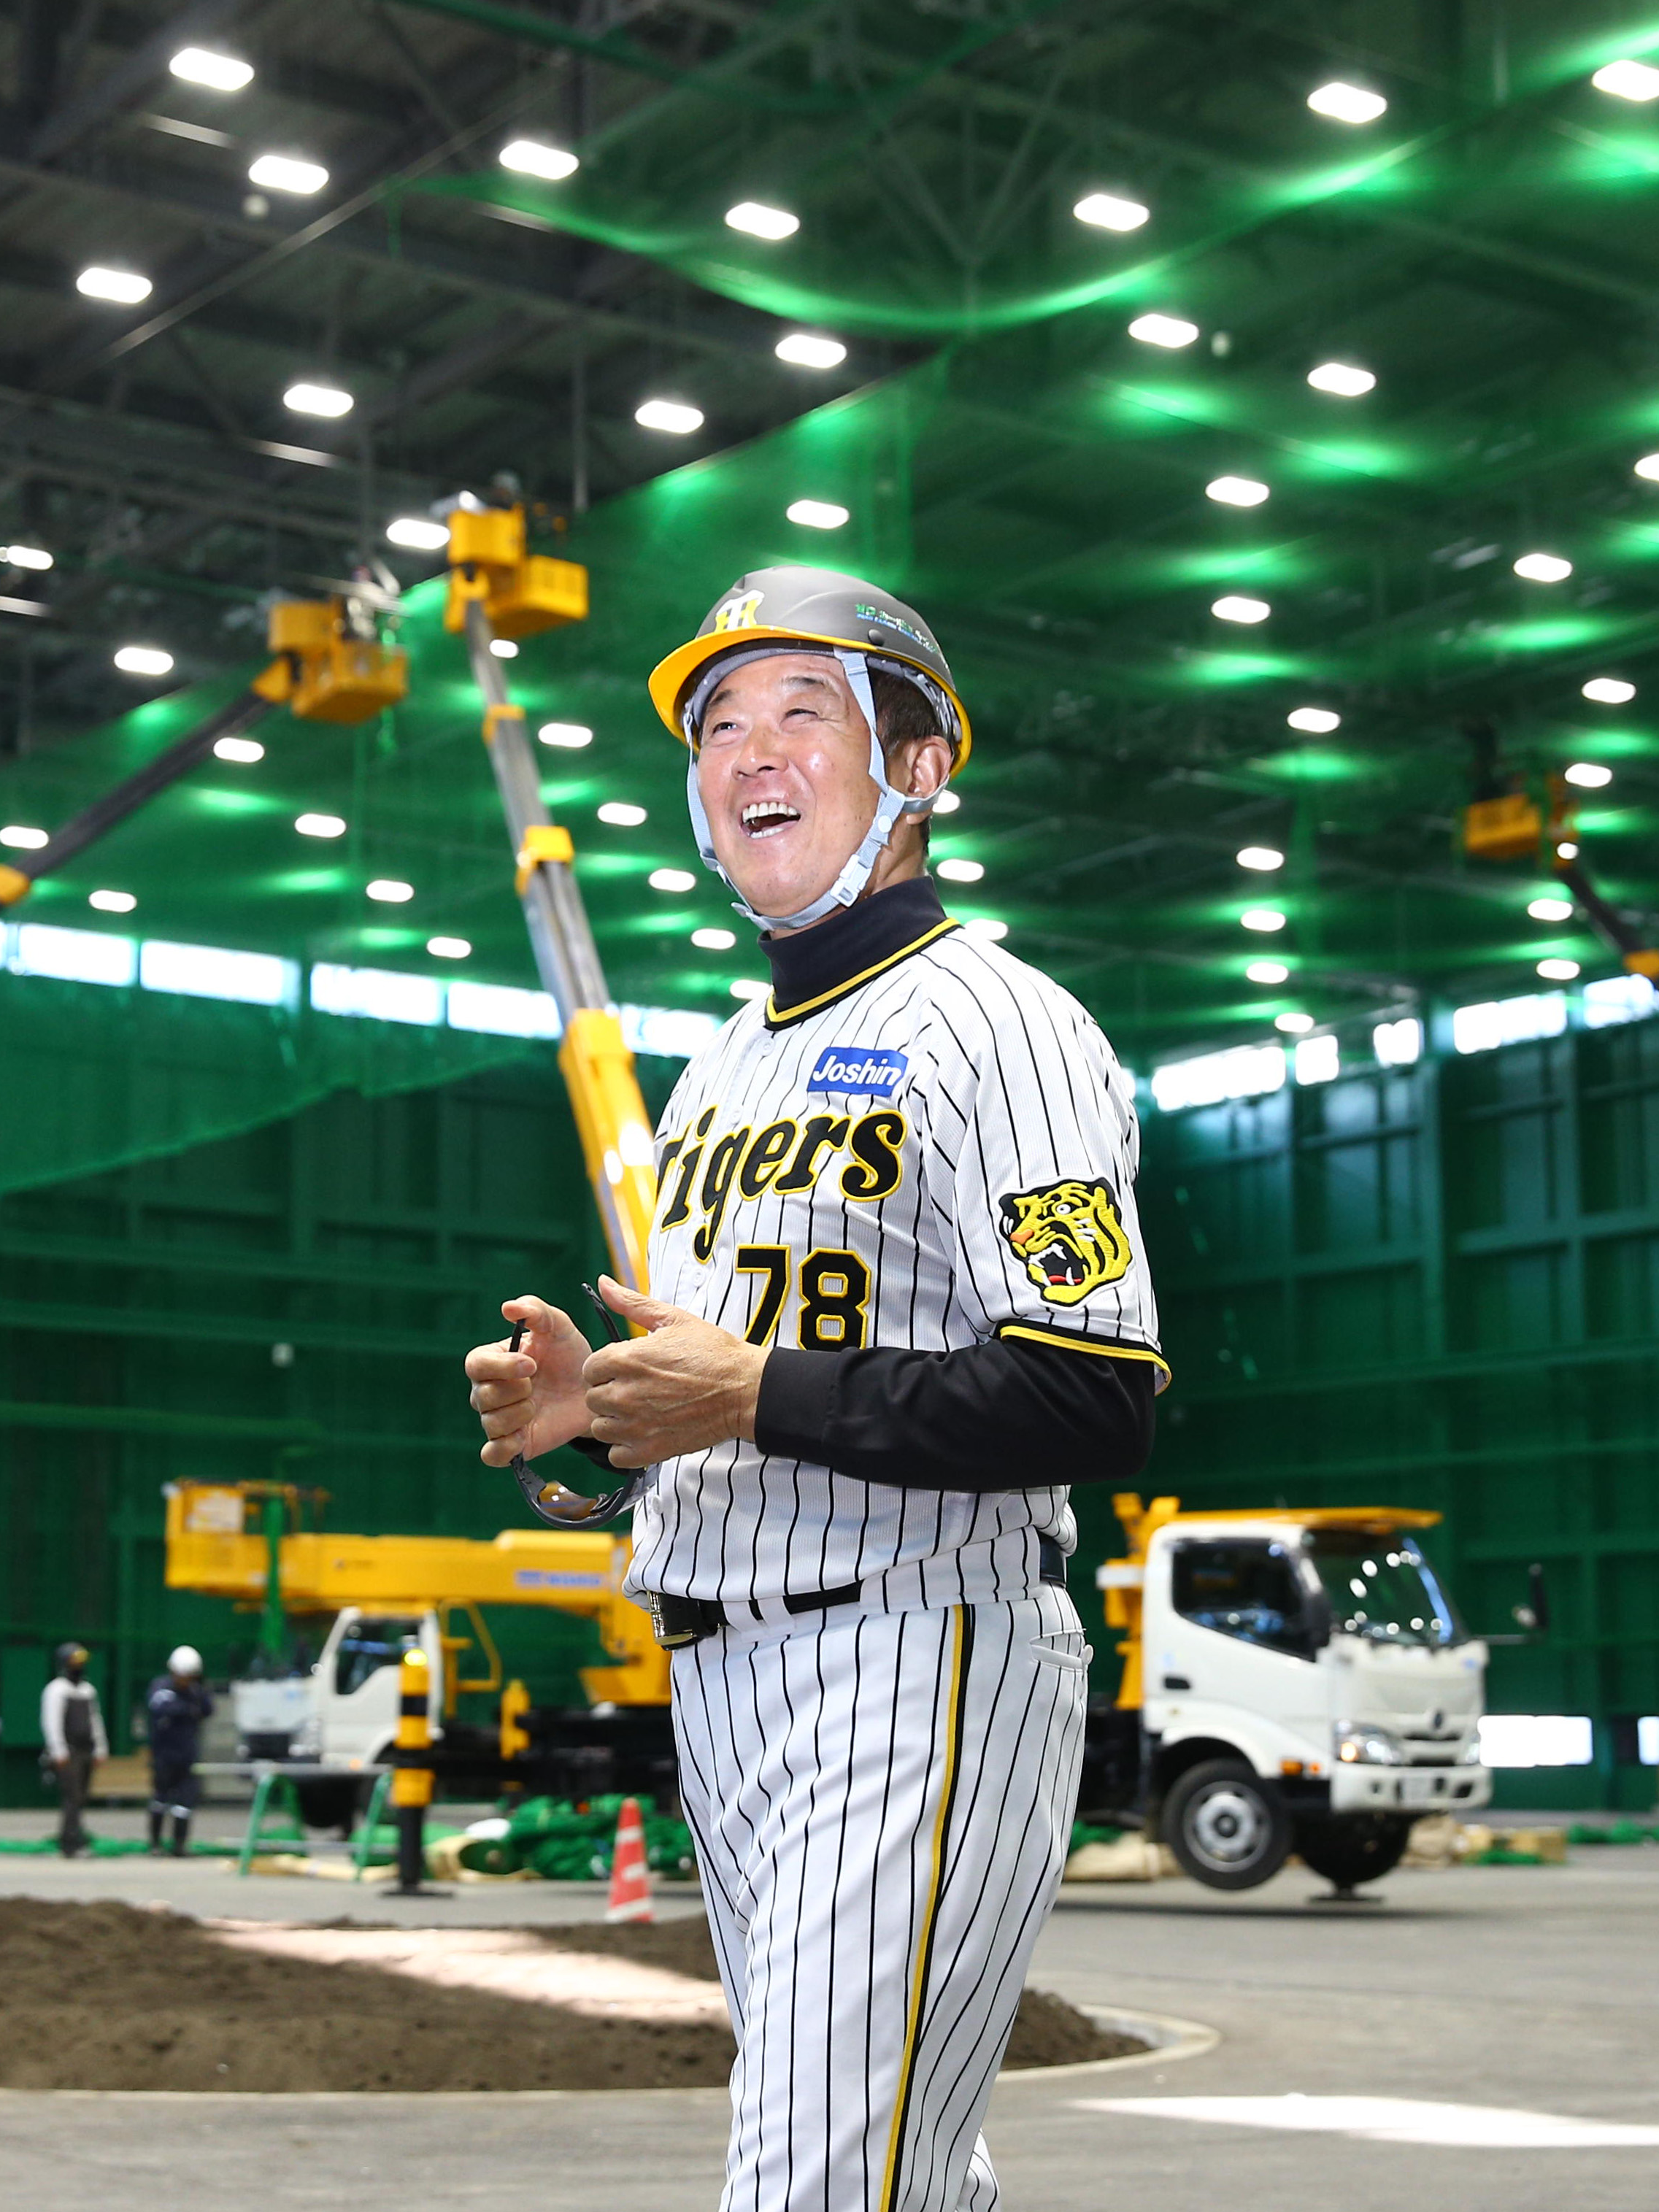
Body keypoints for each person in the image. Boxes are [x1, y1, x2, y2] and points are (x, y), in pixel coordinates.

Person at [463, 567, 1163, 2212]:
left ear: (916, 766)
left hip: (912, 1659)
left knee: (810, 2185)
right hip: (722, 1680)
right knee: (899, 2177)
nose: (744, 750)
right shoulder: (719, 1062)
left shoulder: (1006, 1027)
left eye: (801, 712)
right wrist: (597, 1422)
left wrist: (751, 1392)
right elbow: (718, 1393)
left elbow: (1089, 1395)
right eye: (717, 723)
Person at [145, 1644, 216, 1857]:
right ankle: (155, 1844)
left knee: (185, 1804)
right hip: (164, 1756)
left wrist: (200, 1693)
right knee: (160, 1799)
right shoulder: (161, 1689)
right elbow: (162, 1709)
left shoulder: (195, 1692)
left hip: (187, 1756)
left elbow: (208, 1709)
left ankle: (179, 1845)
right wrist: (187, 1709)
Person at [39, 1641, 107, 1858]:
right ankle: (70, 1843)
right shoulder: (56, 1690)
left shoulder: (88, 1691)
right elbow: (52, 1722)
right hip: (69, 1752)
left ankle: (76, 1836)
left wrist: (100, 1748)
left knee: (81, 1797)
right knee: (72, 1797)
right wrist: (58, 1751)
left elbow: (95, 1720)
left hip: (86, 1750)